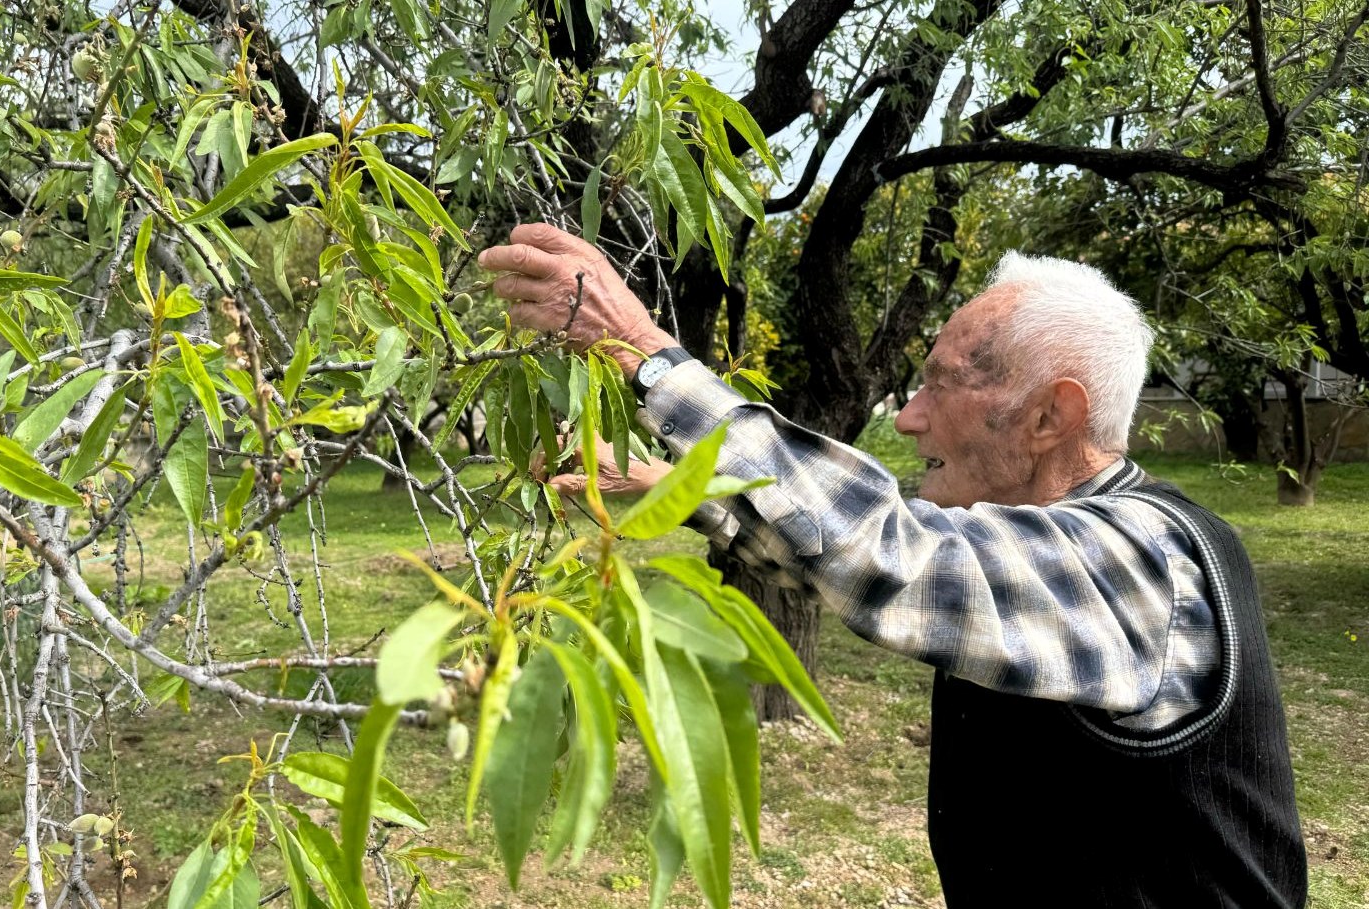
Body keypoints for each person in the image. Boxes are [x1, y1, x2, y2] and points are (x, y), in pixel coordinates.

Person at [478, 223, 1308, 908]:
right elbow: (852, 564)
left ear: (1053, 416)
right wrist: (679, 489)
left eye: (940, 385)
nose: (908, 419)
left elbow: (894, 556)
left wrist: (644, 350)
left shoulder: (1143, 557)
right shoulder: (1047, 551)